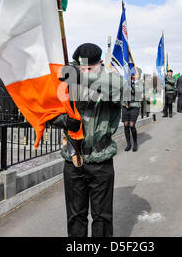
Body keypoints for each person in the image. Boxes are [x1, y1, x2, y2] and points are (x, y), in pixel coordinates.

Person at [51, 43, 123, 237]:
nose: (85, 71)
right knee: (75, 217)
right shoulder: (67, 83)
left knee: (102, 218)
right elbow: (50, 112)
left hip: (100, 161)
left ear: (100, 64)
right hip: (73, 159)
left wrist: (79, 76)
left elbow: (118, 88)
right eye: (82, 68)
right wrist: (65, 121)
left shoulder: (112, 80)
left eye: (89, 68)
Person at [122, 68, 143, 152]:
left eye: (135, 74)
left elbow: (139, 92)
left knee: (131, 125)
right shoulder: (126, 82)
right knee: (126, 125)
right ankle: (128, 144)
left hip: (135, 106)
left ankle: (135, 143)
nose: (133, 76)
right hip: (125, 105)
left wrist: (133, 84)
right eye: (132, 74)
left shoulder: (140, 83)